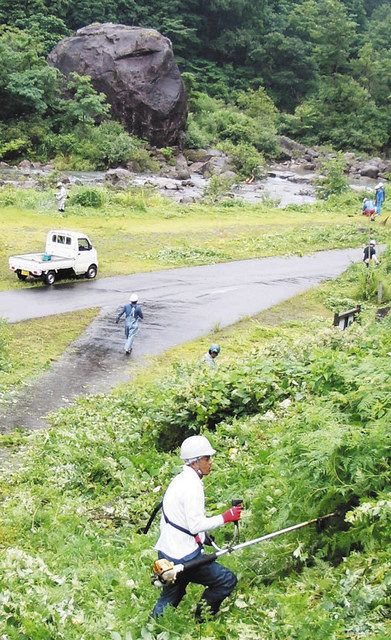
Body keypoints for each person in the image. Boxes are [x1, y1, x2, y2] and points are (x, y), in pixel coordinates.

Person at [152, 434, 242, 620]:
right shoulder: (192, 487)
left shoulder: (179, 480)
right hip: (185, 557)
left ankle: (152, 628)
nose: (211, 462)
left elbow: (177, 518)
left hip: (167, 553)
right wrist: (226, 517)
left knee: (171, 596)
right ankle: (203, 618)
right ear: (195, 462)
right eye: (207, 458)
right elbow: (195, 525)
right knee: (226, 580)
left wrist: (202, 538)